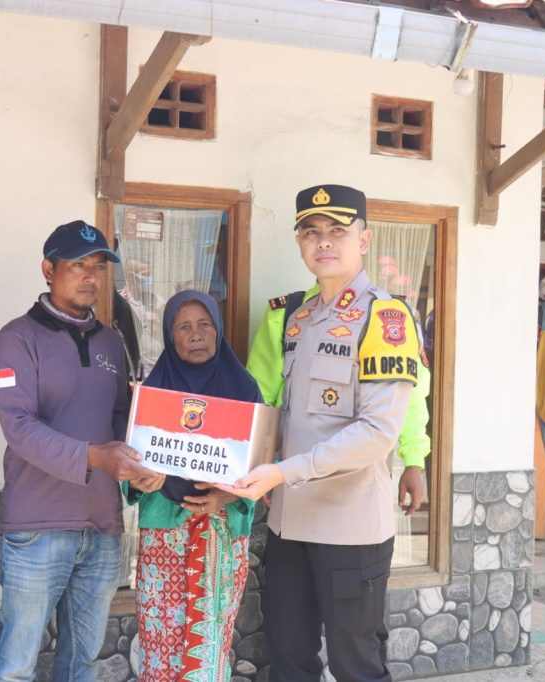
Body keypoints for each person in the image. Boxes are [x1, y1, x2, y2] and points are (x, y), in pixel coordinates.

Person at [221, 185, 421, 682]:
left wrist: (281, 472)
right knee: (288, 657)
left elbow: (378, 431)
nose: (324, 242)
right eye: (312, 232)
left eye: (337, 231)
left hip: (350, 526)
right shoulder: (295, 317)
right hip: (289, 521)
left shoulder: (386, 317)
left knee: (357, 665)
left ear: (365, 240)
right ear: (300, 243)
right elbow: (268, 408)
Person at [0, 220, 164, 682]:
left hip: (103, 527)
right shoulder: (17, 338)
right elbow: (19, 427)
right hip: (37, 527)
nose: (91, 276)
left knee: (81, 664)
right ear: (48, 269)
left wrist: (143, 465)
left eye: (98, 267)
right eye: (78, 265)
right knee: (15, 668)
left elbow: (124, 420)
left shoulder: (111, 340)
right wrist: (96, 457)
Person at [127, 289, 261, 681]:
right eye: (184, 327)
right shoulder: (153, 393)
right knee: (160, 643)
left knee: (211, 641)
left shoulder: (245, 390)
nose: (196, 334)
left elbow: (259, 470)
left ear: (218, 331)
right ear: (171, 337)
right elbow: (131, 471)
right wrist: (141, 480)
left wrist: (227, 495)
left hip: (222, 536)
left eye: (205, 324)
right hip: (163, 536)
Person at [246, 282, 431, 516]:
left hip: (356, 492)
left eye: (337, 241)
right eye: (311, 241)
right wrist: (259, 464)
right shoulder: (285, 313)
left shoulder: (383, 313)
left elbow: (409, 399)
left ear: (363, 243)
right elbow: (260, 398)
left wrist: (414, 462)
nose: (324, 244)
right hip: (292, 487)